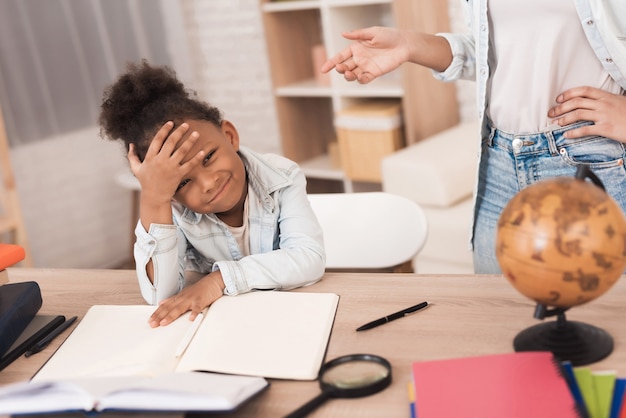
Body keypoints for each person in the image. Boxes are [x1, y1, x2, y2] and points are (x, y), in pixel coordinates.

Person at [322, 1, 626, 274]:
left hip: (587, 158)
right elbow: (494, 52)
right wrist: (409, 44)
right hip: (499, 164)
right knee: (495, 317)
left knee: (604, 320)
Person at [98, 61, 325, 327]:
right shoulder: (170, 207)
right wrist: (153, 198)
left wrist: (218, 280)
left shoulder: (282, 176)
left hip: (293, 316)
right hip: (224, 326)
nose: (207, 183)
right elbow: (159, 295)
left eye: (209, 157)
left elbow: (308, 259)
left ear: (229, 136)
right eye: (182, 183)